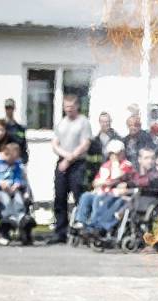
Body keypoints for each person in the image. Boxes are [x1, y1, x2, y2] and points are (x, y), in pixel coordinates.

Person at [51, 94, 92, 244]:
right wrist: (65, 157)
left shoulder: (83, 122)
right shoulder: (61, 123)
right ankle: (60, 232)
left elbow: (85, 144)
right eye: (65, 106)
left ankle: (83, 231)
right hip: (62, 161)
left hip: (78, 164)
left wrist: (69, 159)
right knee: (60, 197)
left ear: (77, 106)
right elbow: (55, 144)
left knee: (79, 197)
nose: (68, 109)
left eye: (71, 106)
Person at [73, 140, 135, 234]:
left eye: (116, 153)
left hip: (114, 194)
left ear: (122, 152)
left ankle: (94, 225)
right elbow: (95, 182)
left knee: (98, 198)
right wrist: (104, 182)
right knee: (86, 196)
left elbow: (117, 177)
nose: (113, 156)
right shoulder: (105, 166)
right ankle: (81, 221)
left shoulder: (126, 164)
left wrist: (106, 180)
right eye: (111, 154)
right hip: (101, 191)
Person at [0, 143, 34, 245]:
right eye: (12, 159)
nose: (13, 162)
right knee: (5, 199)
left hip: (13, 188)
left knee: (19, 199)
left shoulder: (16, 163)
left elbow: (18, 176)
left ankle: (21, 218)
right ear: (6, 154)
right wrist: (0, 184)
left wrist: (17, 184)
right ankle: (8, 219)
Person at [86, 112, 120, 186]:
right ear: (99, 122)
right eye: (103, 122)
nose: (105, 124)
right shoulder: (94, 141)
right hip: (98, 175)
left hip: (113, 175)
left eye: (107, 121)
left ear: (110, 122)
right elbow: (90, 163)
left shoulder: (117, 139)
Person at [3, 98, 29, 163]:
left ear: (14, 108)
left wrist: (24, 160)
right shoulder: (1, 126)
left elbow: (24, 146)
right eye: (7, 108)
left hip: (18, 162)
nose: (9, 110)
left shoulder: (20, 128)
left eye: (11, 107)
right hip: (4, 161)